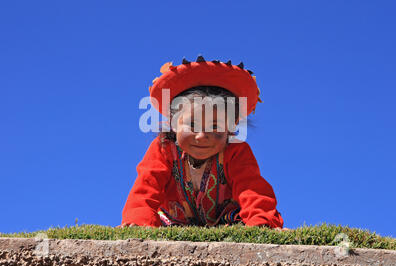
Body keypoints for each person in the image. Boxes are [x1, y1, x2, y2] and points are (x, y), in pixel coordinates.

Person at [121, 56, 284, 229]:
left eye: (215, 126)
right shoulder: (163, 148)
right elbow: (146, 186)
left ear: (230, 127)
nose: (201, 136)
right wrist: (138, 222)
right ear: (173, 123)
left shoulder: (236, 150)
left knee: (243, 221)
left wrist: (260, 223)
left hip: (226, 221)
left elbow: (252, 190)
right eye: (192, 125)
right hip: (174, 222)